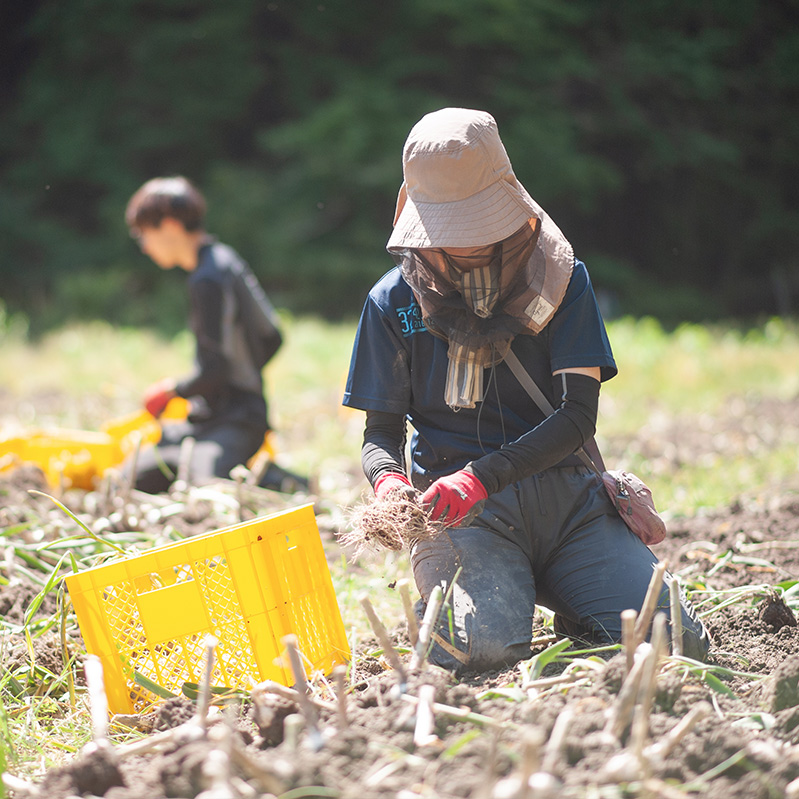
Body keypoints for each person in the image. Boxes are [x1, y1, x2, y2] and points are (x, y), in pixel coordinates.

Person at [343, 108, 709, 674]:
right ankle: (498, 594)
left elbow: (577, 417)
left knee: (675, 642)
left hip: (569, 502)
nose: (462, 246)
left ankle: (576, 599)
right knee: (475, 652)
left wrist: (481, 477)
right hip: (462, 518)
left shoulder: (562, 280)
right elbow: (381, 434)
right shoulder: (393, 302)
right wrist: (390, 481)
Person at [124, 176, 283, 493]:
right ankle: (258, 470)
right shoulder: (223, 259)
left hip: (235, 420)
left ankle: (280, 481)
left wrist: (170, 391)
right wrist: (245, 373)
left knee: (205, 485)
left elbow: (214, 369)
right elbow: (273, 335)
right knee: (133, 475)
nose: (143, 246)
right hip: (221, 414)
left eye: (144, 234)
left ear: (169, 226)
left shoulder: (207, 279)